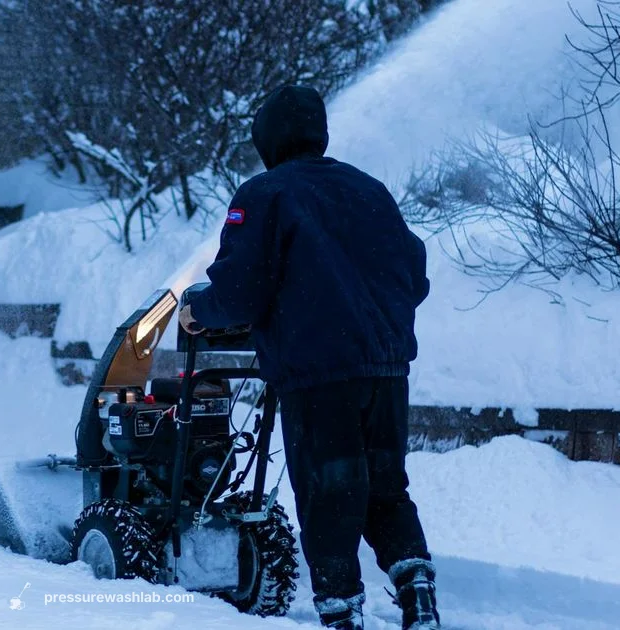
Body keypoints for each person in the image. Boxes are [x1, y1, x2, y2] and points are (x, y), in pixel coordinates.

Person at [178, 85, 440, 630]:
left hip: (321, 378)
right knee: (386, 488)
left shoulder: (265, 194)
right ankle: (418, 594)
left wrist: (198, 308)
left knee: (329, 494)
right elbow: (414, 275)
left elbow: (242, 289)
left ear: (267, 140)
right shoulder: (371, 191)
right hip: (388, 372)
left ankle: (342, 613)